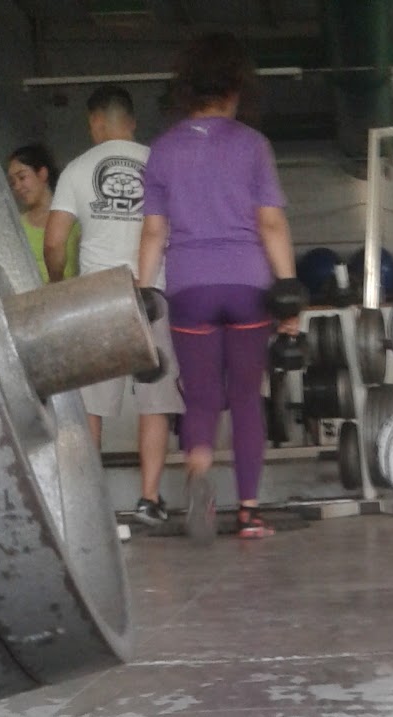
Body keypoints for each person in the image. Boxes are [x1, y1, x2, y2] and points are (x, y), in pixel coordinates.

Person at [138, 33, 299, 540]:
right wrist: (289, 290)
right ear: (235, 88)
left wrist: (142, 290)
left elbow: (154, 232)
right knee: (247, 398)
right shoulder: (252, 145)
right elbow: (270, 223)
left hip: (190, 286)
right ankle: (248, 513)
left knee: (202, 397)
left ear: (187, 88)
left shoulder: (162, 150)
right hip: (247, 283)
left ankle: (200, 466)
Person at [44, 85, 184, 530]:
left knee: (91, 405)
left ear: (95, 122)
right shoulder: (159, 163)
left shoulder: (78, 168)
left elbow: (54, 241)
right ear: (132, 122)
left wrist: (58, 284)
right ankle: (149, 500)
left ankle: (89, 504)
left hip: (97, 296)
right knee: (154, 401)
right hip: (152, 291)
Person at [7, 144, 78, 283]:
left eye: (22, 177)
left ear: (42, 174)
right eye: (13, 183)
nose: (17, 187)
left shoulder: (72, 217)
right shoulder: (17, 227)